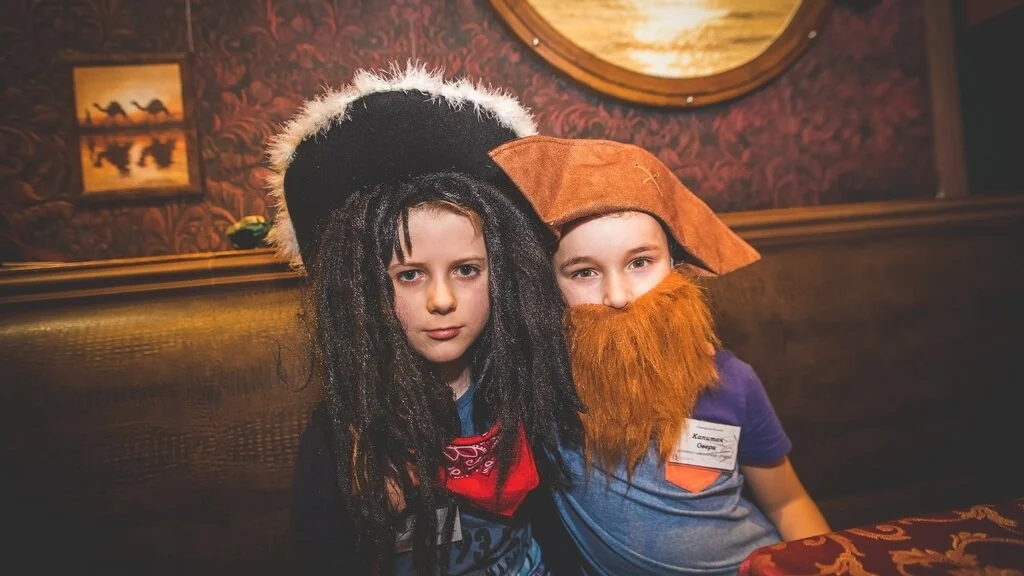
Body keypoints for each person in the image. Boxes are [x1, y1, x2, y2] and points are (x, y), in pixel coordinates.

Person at [266, 67, 583, 576]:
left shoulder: (524, 385)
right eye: (409, 275)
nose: (441, 300)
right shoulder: (345, 435)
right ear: (363, 287)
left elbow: (558, 520)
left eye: (466, 270)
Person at [490, 135, 830, 575]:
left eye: (639, 263)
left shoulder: (730, 380)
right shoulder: (545, 387)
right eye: (585, 272)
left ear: (674, 266)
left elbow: (788, 502)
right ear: (549, 287)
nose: (618, 296)